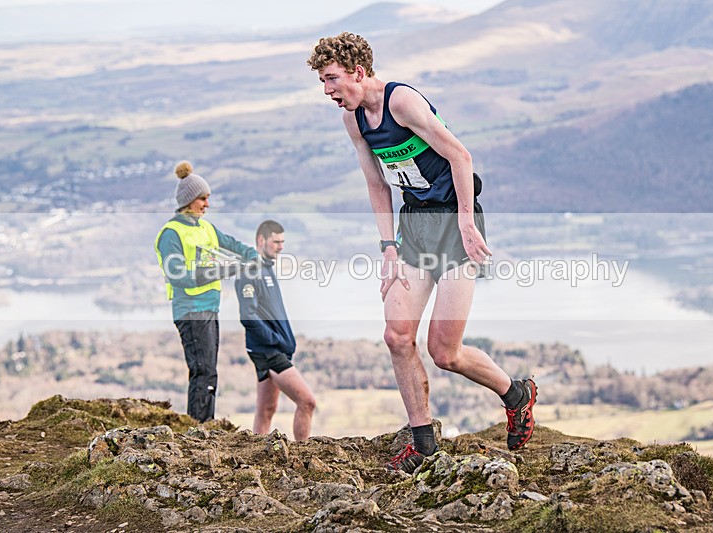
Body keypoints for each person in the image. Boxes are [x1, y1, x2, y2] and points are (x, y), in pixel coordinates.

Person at [308, 33, 537, 472]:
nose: (327, 91)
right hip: (414, 226)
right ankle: (423, 443)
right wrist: (388, 247)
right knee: (396, 335)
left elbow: (461, 157)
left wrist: (467, 222)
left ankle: (516, 394)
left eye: (332, 79)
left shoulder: (403, 103)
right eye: (322, 82)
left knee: (445, 352)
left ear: (358, 72)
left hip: (454, 223)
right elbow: (377, 184)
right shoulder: (354, 120)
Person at [154, 161, 259, 423]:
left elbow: (232, 244)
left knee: (210, 372)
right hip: (190, 310)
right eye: (203, 198)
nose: (207, 204)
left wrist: (253, 256)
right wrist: (225, 270)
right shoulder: (171, 233)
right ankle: (198, 430)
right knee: (202, 371)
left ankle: (205, 427)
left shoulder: (206, 228)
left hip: (210, 307)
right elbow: (180, 277)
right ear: (189, 200)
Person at [235, 220, 316, 440]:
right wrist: (277, 341)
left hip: (271, 349)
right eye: (276, 242)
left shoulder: (266, 269)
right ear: (261, 240)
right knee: (307, 402)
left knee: (266, 410)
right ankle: (303, 455)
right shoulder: (250, 271)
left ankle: (255, 455)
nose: (281, 247)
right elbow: (248, 316)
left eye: (282, 242)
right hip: (269, 352)